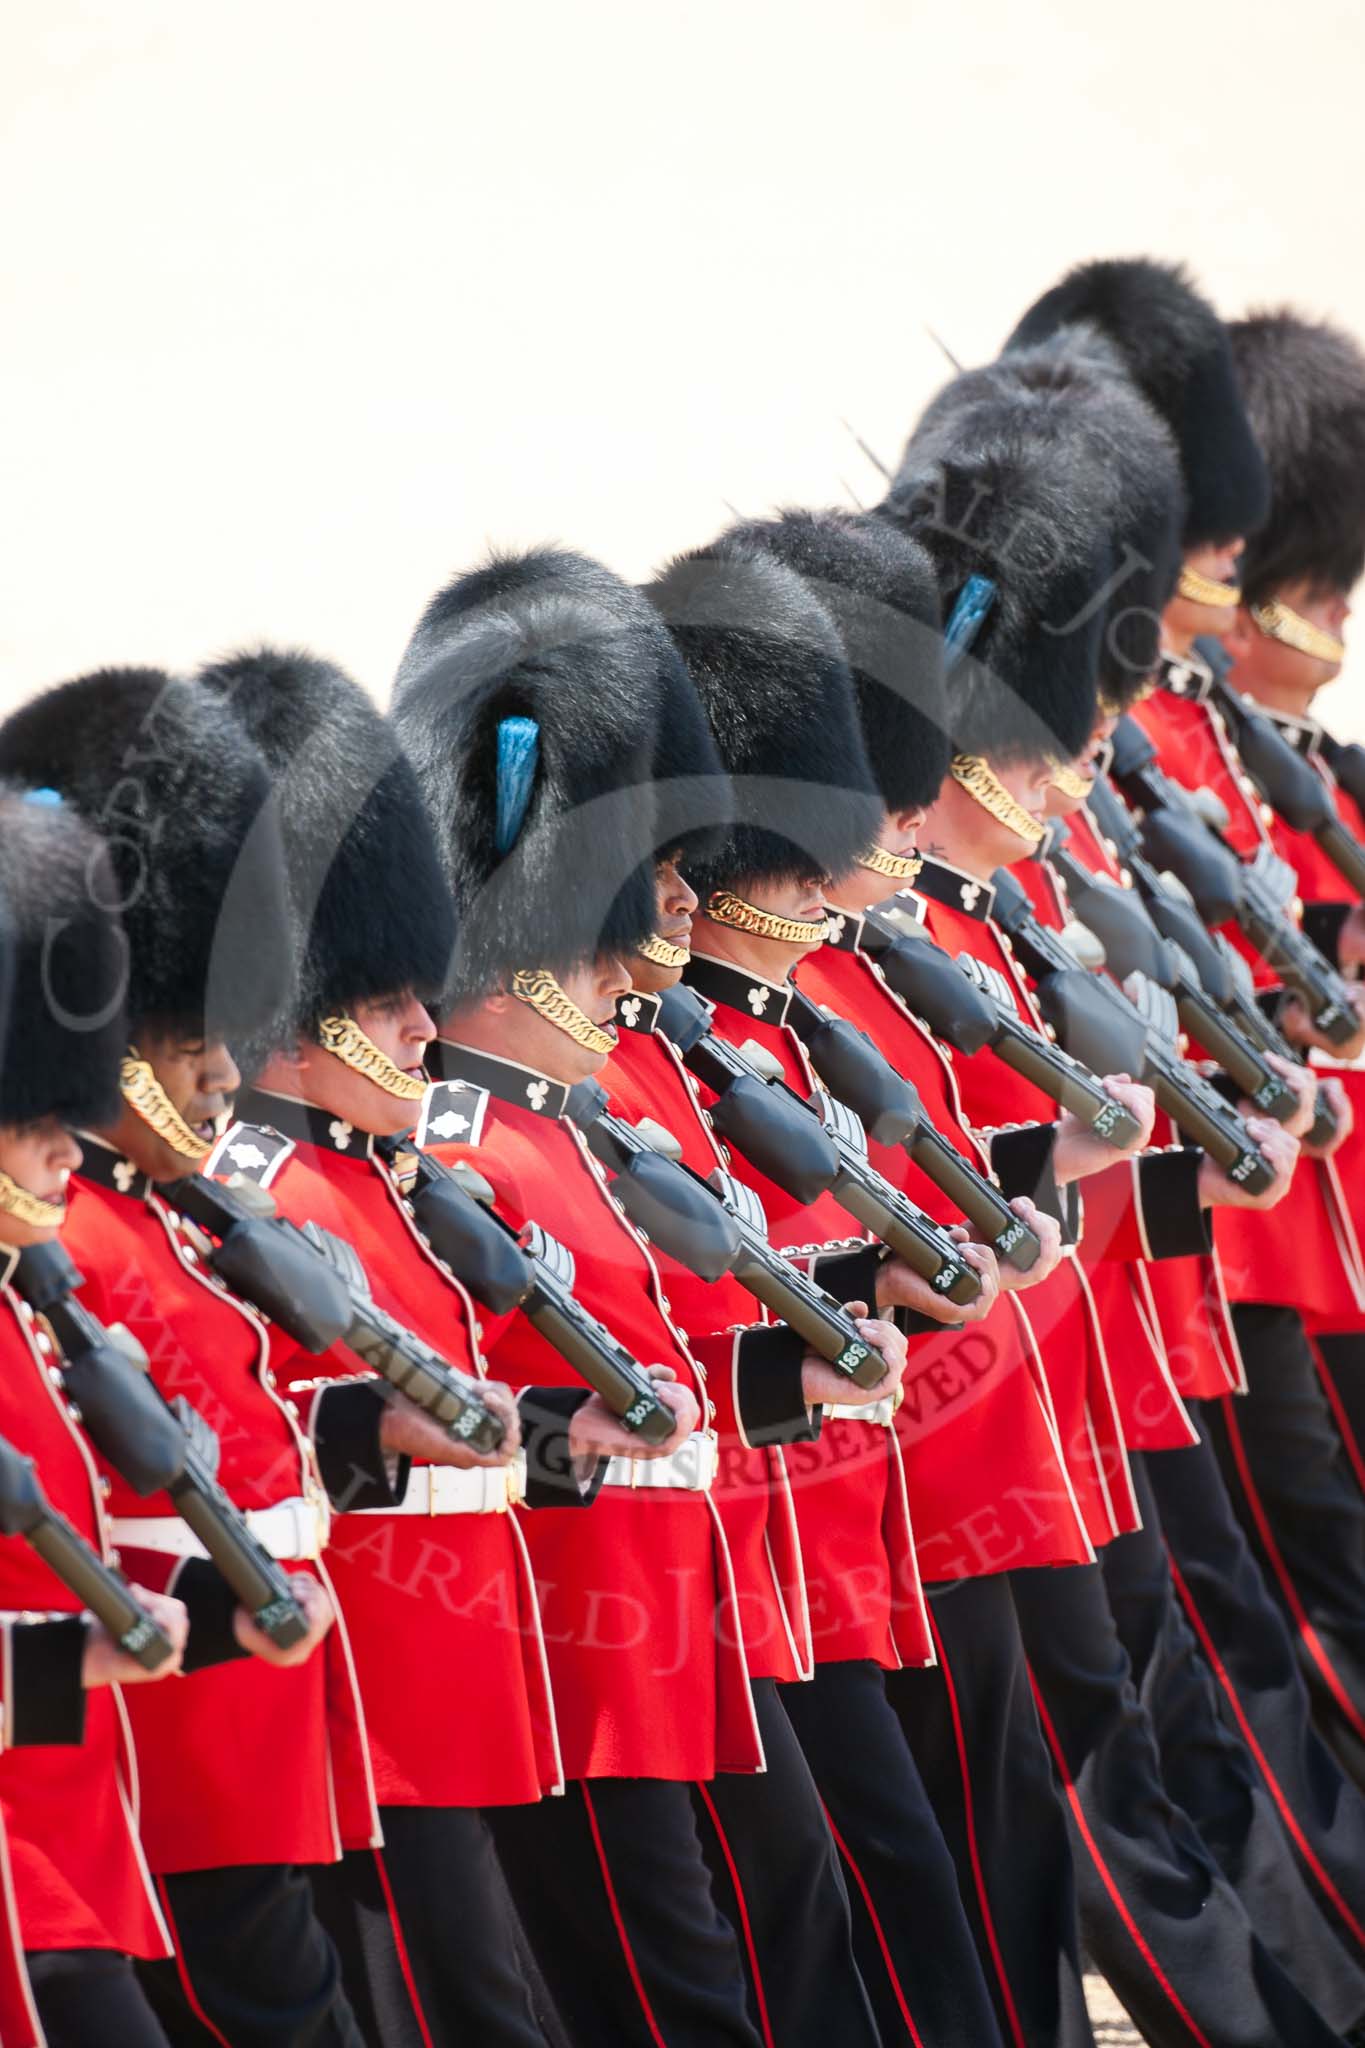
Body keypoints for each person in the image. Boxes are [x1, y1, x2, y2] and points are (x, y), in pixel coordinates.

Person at [883, 357, 1358, 2046]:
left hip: (1130, 1379)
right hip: (997, 1444)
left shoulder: (1031, 894)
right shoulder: (912, 944)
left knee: (1167, 1750)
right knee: (1069, 1804)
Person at [393, 545, 908, 2048]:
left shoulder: (576, 1127)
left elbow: (653, 1365)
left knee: (787, 1924)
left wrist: (791, 1380)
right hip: (585, 1652)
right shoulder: (458, 1150)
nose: (678, 906)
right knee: (677, 1992)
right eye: (651, 875)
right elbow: (462, 1423)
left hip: (680, 1619)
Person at [197, 644, 636, 2047]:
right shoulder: (266, 1194)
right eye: (390, 1000)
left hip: (468, 1662)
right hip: (378, 1676)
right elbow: (270, 1434)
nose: (417, 1024)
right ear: (310, 1009)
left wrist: (560, 1437)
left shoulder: (389, 1183)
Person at [0, 667, 370, 2048]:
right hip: (119, 1783)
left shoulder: (122, 1234)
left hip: (194, 1735)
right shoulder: (73, 1245)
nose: (225, 1070)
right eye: (191, 1033)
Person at [0, 784, 189, 2048]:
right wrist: (67, 1661)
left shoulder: (25, 1304)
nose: (70, 1139)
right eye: (33, 1110)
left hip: (65, 1829)